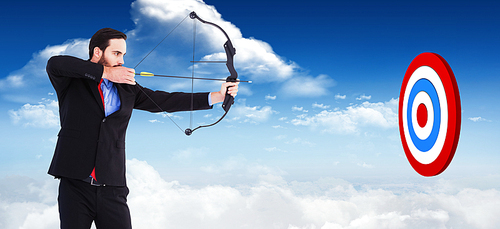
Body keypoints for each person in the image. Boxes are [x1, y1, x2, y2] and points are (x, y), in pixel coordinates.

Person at [46, 28, 238, 229]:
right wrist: (108, 72)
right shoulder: (72, 81)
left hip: (112, 185)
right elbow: (55, 63)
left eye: (123, 55)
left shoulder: (127, 88)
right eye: (116, 53)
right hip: (75, 184)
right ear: (97, 52)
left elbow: (164, 100)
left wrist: (217, 96)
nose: (121, 60)